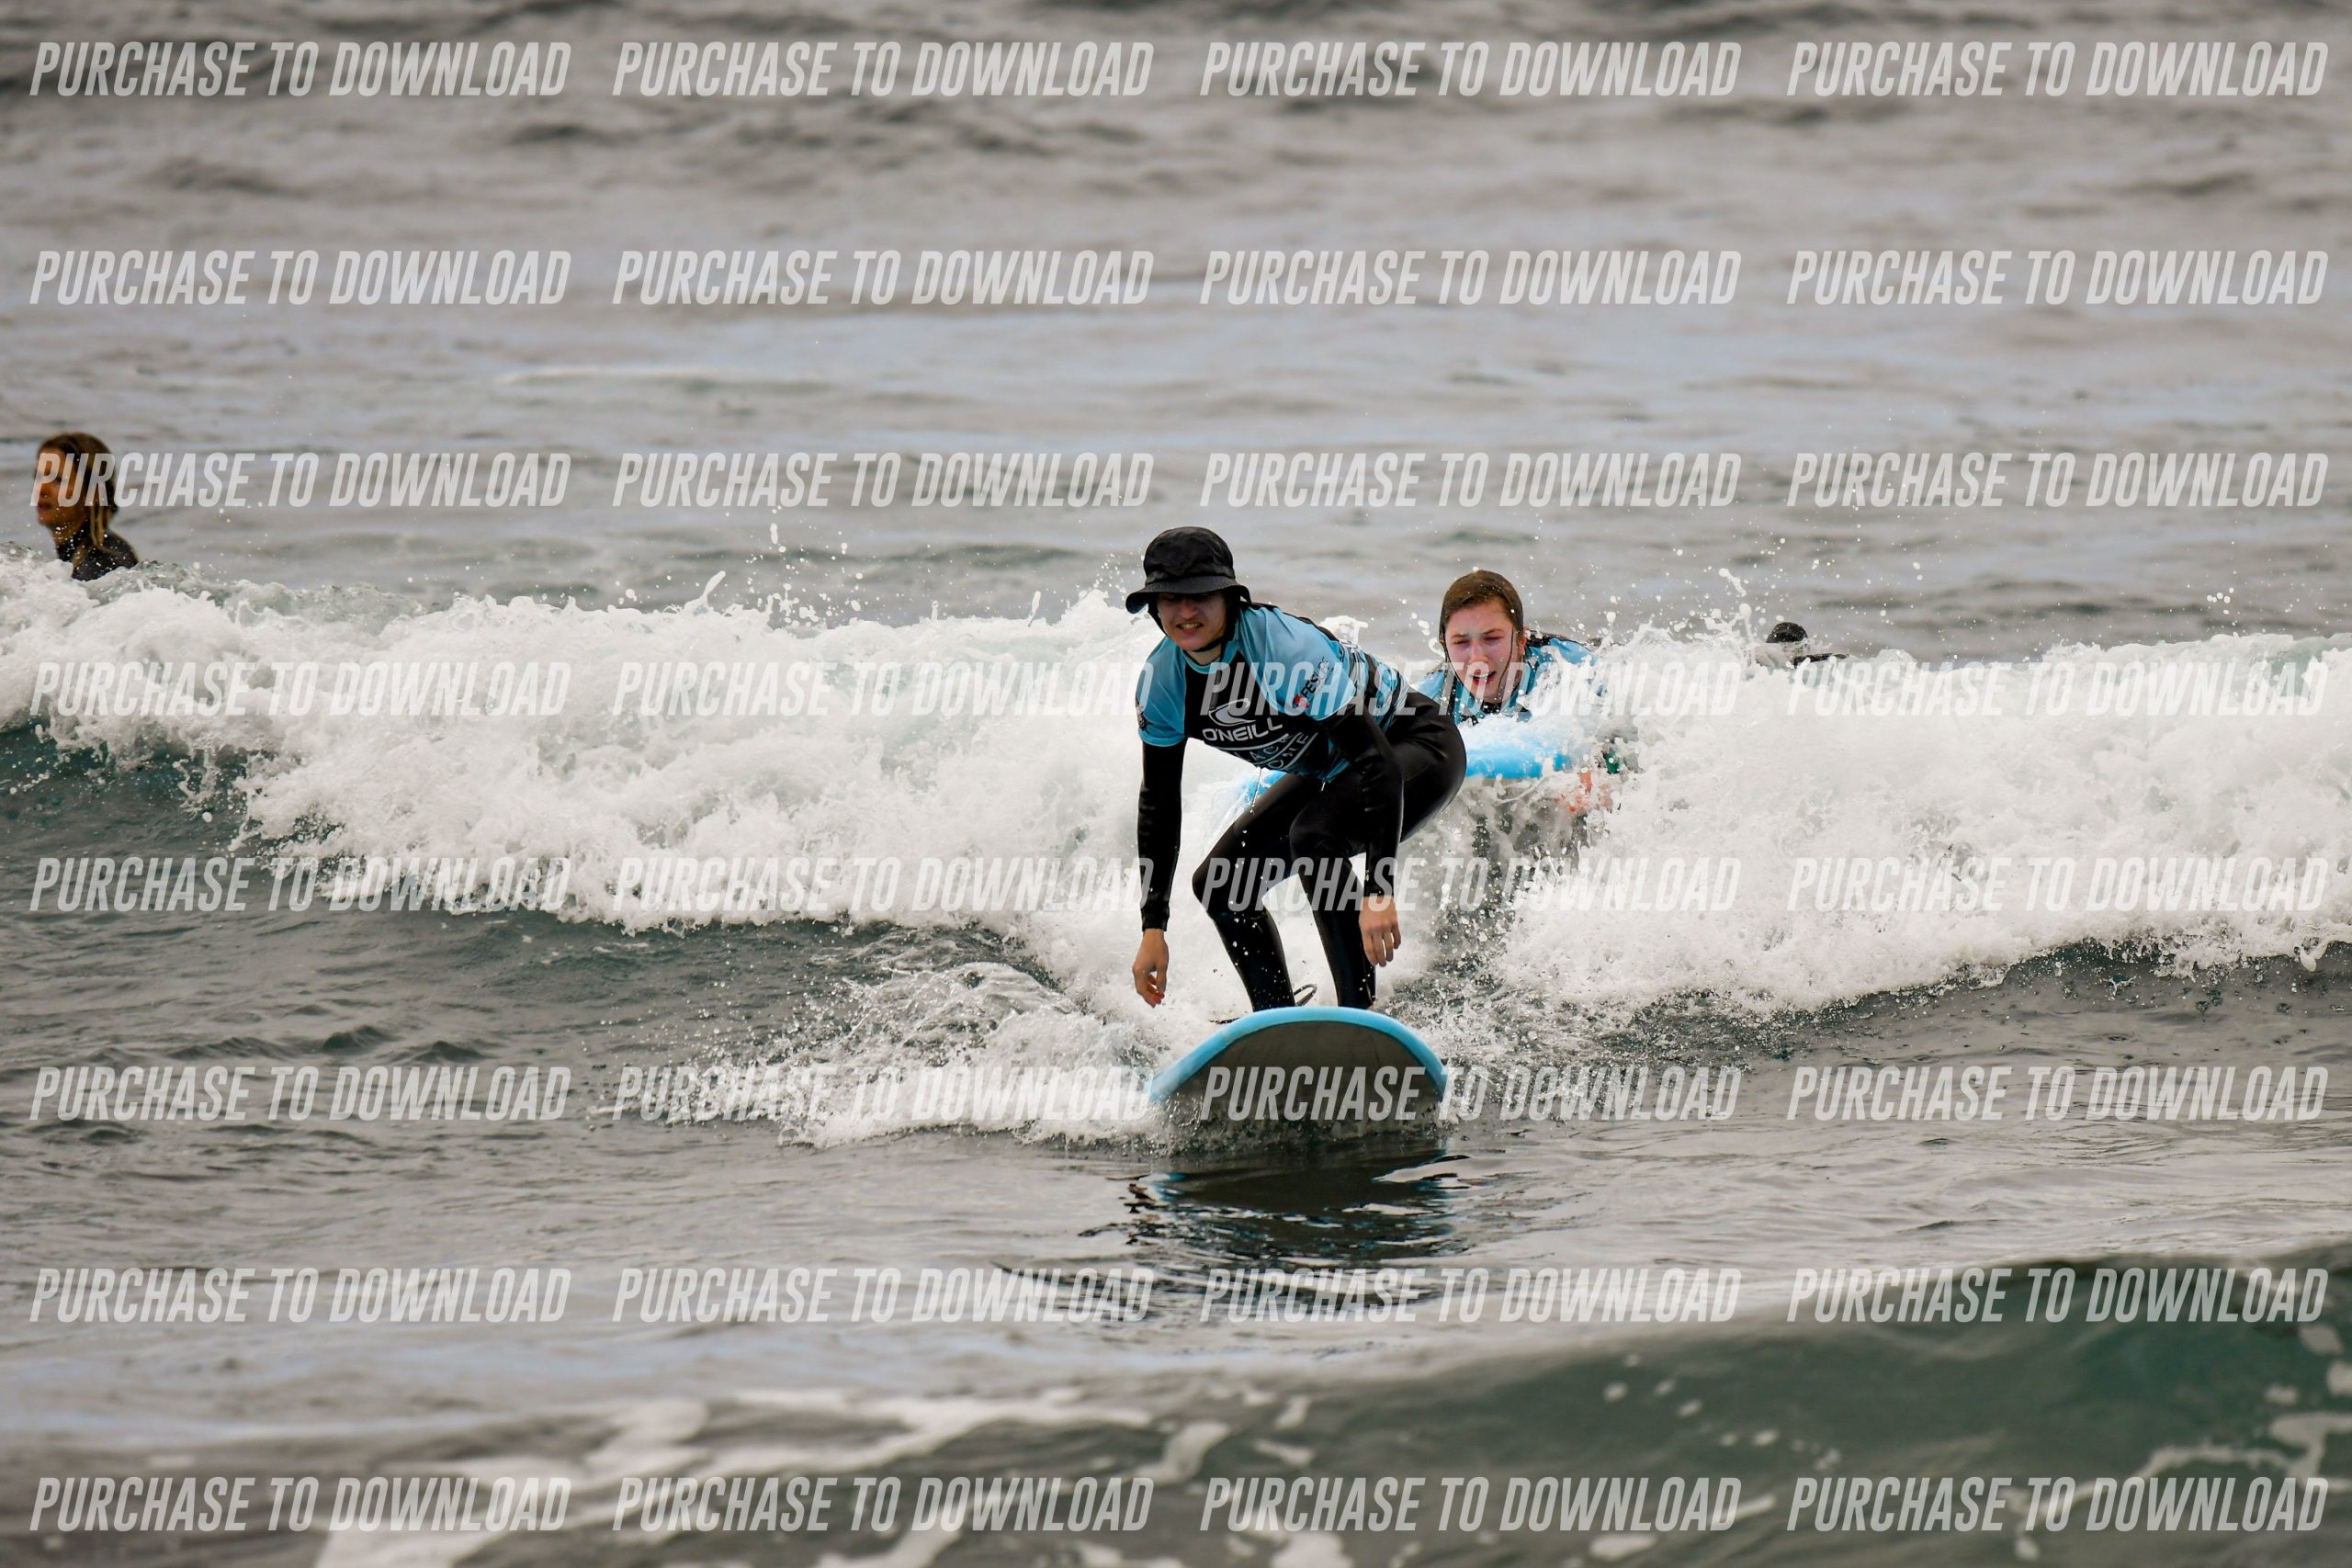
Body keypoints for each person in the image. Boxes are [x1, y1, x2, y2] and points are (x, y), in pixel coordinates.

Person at [1128, 527, 1465, 1014]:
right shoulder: (1163, 683)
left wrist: (1378, 890)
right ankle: (1277, 1021)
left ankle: (1358, 1015)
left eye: (1200, 596)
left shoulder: (1284, 650)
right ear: (1153, 607)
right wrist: (1153, 927)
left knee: (1315, 836)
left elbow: (1377, 762)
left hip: (1414, 745)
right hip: (1333, 768)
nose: (1186, 612)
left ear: (1229, 598)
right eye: (1170, 599)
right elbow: (1158, 805)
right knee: (1222, 884)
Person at [34, 433, 139, 581]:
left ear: (93, 493)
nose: (41, 489)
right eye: (39, 477)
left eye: (57, 480)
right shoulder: (93, 553)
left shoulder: (102, 563)